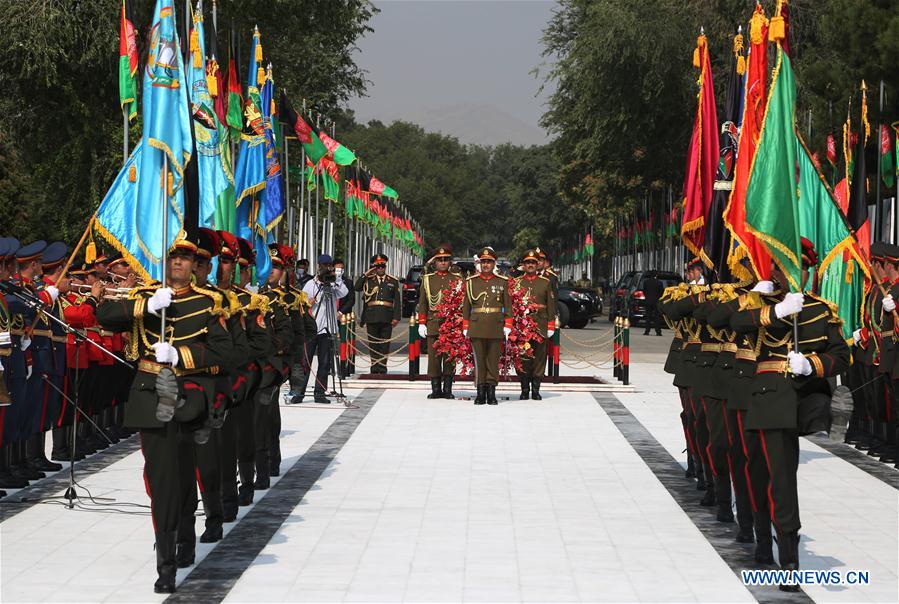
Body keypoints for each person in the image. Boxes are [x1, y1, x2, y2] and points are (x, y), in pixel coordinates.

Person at [96, 235, 233, 594]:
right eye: (173, 257)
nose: (178, 264)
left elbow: (225, 352)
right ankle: (166, 563)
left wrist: (182, 357)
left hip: (190, 396)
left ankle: (186, 540)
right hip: (149, 396)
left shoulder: (209, 303)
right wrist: (145, 308)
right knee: (163, 482)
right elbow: (105, 317)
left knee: (187, 475)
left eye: (186, 259)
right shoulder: (145, 297)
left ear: (195, 265)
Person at [729, 238, 849, 591]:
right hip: (763, 397)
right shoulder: (760, 301)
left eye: (795, 267)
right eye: (782, 266)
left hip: (791, 400)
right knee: (757, 471)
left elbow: (841, 356)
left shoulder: (822, 310)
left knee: (782, 479)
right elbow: (737, 322)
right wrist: (776, 310)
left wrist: (811, 365)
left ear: (807, 271)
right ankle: (762, 540)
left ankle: (790, 562)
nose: (786, 273)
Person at [463, 247, 512, 405]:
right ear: (480, 263)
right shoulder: (471, 282)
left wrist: (508, 324)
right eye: (483, 262)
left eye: (489, 262)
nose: (485, 265)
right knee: (479, 360)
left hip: (495, 325)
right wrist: (465, 325)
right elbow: (466, 306)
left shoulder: (502, 282)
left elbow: (508, 306)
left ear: (493, 264)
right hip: (476, 325)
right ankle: (480, 391)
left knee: (492, 360)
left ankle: (491, 392)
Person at [300, 254, 348, 402]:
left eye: (328, 266)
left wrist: (337, 278)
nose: (326, 268)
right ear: (318, 266)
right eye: (323, 266)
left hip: (328, 329)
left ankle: (319, 393)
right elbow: (302, 302)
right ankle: (298, 391)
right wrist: (309, 301)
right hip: (313, 328)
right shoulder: (310, 284)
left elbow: (344, 292)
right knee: (305, 361)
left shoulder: (333, 284)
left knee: (325, 363)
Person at [417, 244, 462, 399]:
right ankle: (436, 388)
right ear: (435, 262)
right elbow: (423, 303)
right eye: (440, 260)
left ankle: (448, 388)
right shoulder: (428, 280)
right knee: (434, 358)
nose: (443, 262)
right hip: (433, 321)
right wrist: (422, 322)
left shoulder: (457, 279)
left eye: (446, 260)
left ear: (450, 262)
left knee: (450, 357)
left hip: (451, 324)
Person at [514, 250, 556, 400]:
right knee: (523, 356)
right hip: (522, 326)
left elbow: (551, 305)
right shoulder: (517, 282)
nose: (530, 265)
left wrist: (551, 325)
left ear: (538, 264)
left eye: (533, 262)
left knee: (539, 357)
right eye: (527, 263)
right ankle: (524, 388)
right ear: (523, 265)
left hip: (540, 324)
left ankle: (536, 389)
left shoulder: (545, 282)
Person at [355, 254, 401, 374]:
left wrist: (396, 317)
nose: (380, 268)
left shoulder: (393, 281)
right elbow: (357, 287)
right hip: (372, 316)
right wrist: (366, 274)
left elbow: (397, 301)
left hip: (387, 316)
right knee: (373, 343)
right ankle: (374, 367)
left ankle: (382, 367)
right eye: (378, 266)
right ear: (374, 267)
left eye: (382, 266)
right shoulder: (369, 280)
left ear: (385, 267)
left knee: (384, 344)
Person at [642, 272, 665, 336]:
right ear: (656, 275)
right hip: (656, 301)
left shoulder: (646, 282)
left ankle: (647, 331)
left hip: (648, 301)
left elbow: (644, 291)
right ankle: (658, 331)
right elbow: (661, 292)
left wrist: (647, 296)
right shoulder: (659, 283)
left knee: (648, 316)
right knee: (657, 317)